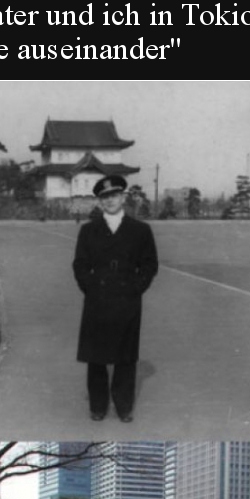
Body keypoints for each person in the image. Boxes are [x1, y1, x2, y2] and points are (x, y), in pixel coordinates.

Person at [73, 175, 159, 422]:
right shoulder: (89, 230)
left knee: (126, 356)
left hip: (127, 298)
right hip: (97, 298)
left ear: (123, 197)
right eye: (104, 197)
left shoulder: (140, 230)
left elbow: (150, 264)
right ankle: (98, 406)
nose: (110, 201)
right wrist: (89, 287)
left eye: (114, 195)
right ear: (99, 202)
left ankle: (124, 406)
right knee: (96, 356)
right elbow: (79, 264)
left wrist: (136, 287)